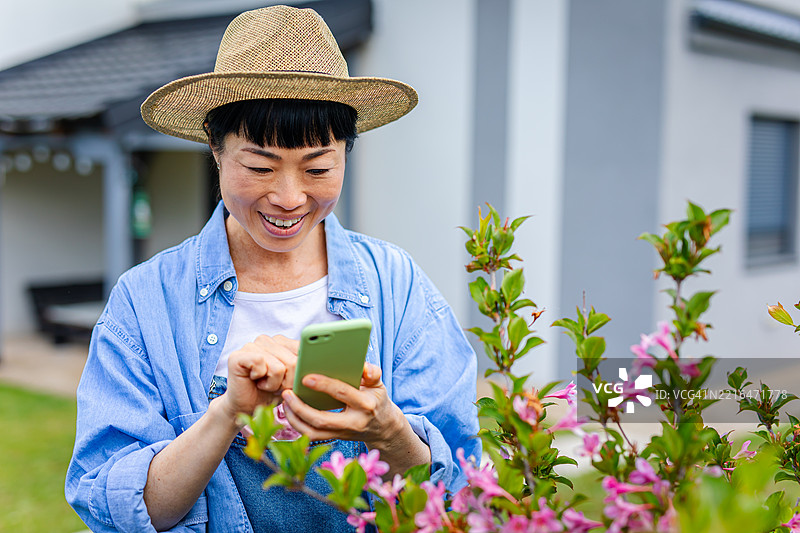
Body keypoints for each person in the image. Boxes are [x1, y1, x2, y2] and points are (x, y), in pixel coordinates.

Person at [66, 5, 479, 532]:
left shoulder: (396, 285)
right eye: (259, 166)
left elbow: (459, 498)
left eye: (318, 167)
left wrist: (389, 430)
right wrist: (226, 414)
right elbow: (126, 512)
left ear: (346, 156)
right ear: (214, 150)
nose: (289, 198)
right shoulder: (145, 301)